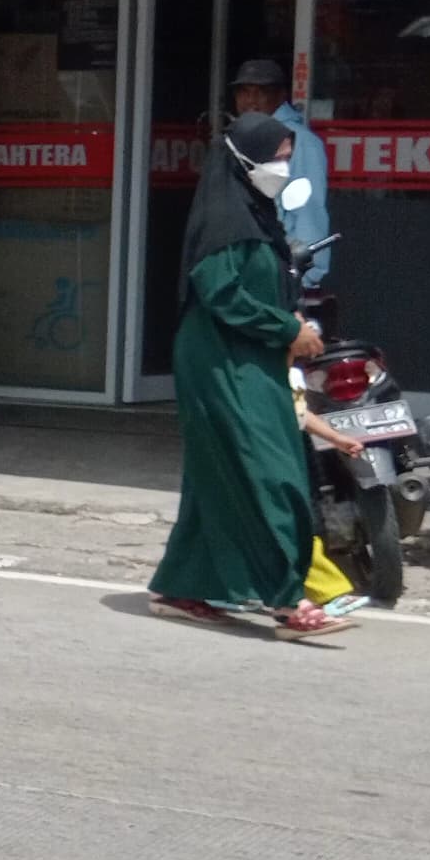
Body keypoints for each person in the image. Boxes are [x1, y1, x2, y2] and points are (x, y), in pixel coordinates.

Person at [151, 111, 336, 637]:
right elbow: (221, 292)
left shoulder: (258, 215)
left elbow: (264, 284)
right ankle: (285, 597)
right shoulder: (223, 220)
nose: (283, 167)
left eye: (287, 157)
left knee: (219, 471)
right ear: (244, 159)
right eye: (276, 157)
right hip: (218, 358)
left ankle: (183, 585)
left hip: (251, 354)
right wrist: (286, 329)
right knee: (267, 471)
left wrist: (292, 316)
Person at [229, 56, 330, 263]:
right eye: (244, 92)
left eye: (261, 92)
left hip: (280, 266)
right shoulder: (239, 137)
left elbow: (309, 213)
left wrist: (305, 272)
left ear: (281, 95)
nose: (251, 100)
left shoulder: (300, 141)